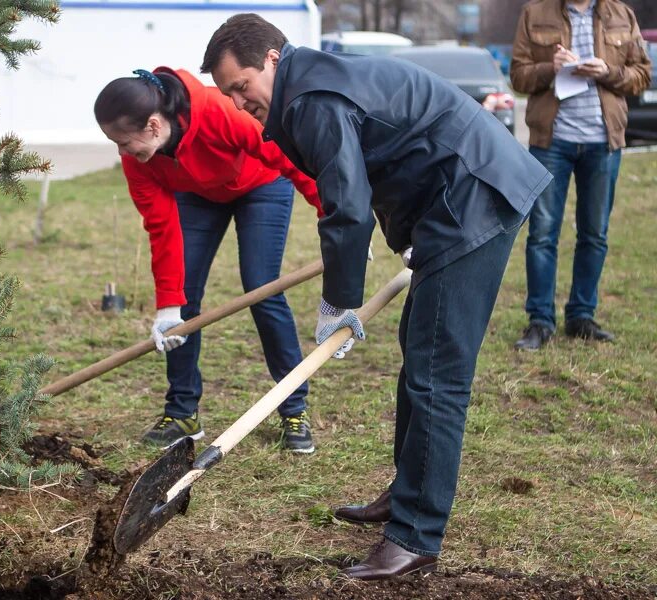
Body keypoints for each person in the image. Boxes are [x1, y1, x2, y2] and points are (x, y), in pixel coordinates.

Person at [201, 14, 552, 578]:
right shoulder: (309, 85)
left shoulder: (311, 97)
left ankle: (414, 537)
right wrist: (415, 234)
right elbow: (391, 151)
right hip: (454, 200)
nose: (240, 104)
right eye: (229, 96)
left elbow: (348, 204)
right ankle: (408, 492)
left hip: (474, 196)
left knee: (437, 374)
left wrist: (338, 302)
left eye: (241, 87)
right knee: (421, 356)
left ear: (271, 58)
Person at [94, 67, 324, 453]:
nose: (122, 152)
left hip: (261, 183)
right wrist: (169, 305)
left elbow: (289, 160)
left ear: (153, 125)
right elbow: (160, 225)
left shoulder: (218, 112)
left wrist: (335, 220)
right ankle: (183, 412)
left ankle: (294, 408)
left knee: (262, 287)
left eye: (124, 141)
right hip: (198, 194)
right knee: (185, 301)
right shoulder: (140, 159)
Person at [510, 0, 651, 351]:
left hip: (603, 141)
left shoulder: (621, 15)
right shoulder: (535, 12)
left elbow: (642, 75)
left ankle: (581, 316)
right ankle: (540, 322)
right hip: (551, 141)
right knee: (542, 233)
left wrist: (607, 71)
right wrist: (548, 68)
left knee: (595, 233)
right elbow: (518, 76)